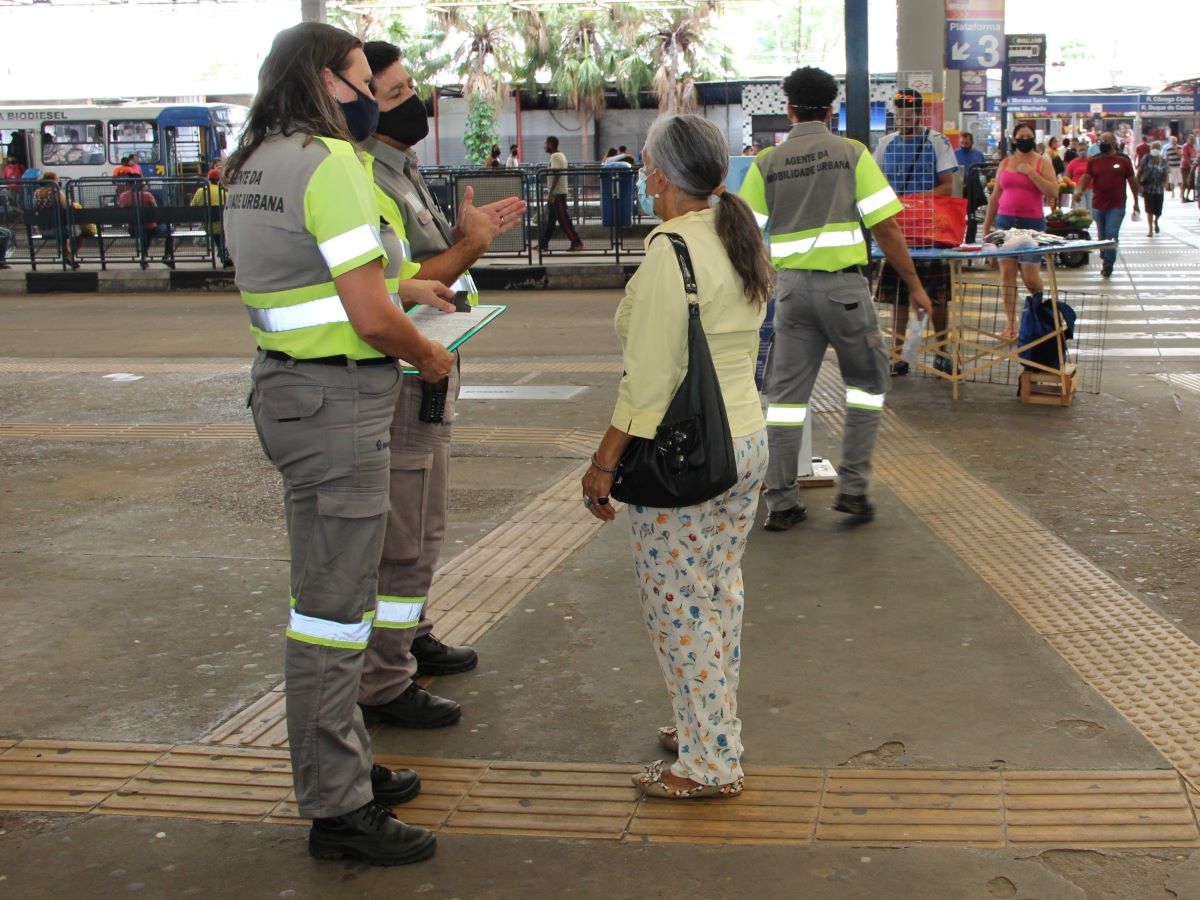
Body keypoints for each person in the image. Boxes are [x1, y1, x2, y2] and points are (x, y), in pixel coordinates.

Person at [222, 21, 455, 867]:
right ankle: (338, 807)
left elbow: (312, 279)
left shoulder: (254, 161)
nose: (370, 97)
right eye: (362, 78)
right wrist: (427, 352)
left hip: (288, 392)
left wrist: (405, 284)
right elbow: (366, 316)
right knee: (332, 615)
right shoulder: (331, 164)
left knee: (331, 601)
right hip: (337, 404)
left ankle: (343, 765)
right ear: (327, 82)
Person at [581, 113, 773, 799]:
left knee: (679, 606)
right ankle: (707, 724)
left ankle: (710, 763)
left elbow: (651, 380)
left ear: (660, 175)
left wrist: (605, 462)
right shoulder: (734, 233)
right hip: (744, 441)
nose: (642, 175)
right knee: (716, 592)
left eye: (645, 165)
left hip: (687, 451)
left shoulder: (674, 250)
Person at [357, 39, 526, 730]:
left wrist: (462, 240)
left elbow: (419, 270)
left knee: (423, 520)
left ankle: (409, 634)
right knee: (406, 528)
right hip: (404, 368)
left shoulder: (401, 169)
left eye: (410, 88)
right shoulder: (364, 178)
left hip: (432, 359)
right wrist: (471, 245)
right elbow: (397, 287)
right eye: (394, 94)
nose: (413, 104)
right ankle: (384, 676)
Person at [740, 66, 933, 528]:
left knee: (785, 400)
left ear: (789, 109)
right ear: (831, 110)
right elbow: (885, 226)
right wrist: (914, 285)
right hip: (845, 292)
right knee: (867, 388)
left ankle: (781, 503)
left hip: (790, 293)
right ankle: (853, 488)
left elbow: (744, 232)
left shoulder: (766, 162)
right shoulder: (851, 154)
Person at [872, 87, 957, 375]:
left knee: (938, 297)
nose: (904, 120)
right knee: (897, 298)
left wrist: (913, 201)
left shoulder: (938, 142)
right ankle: (898, 355)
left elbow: (947, 186)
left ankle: (942, 352)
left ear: (921, 114)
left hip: (931, 233)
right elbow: (877, 184)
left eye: (910, 115)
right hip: (898, 232)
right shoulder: (885, 144)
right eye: (900, 115)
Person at [980, 122, 1061, 339]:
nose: (1025, 140)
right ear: (1014, 140)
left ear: (1034, 139)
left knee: (1030, 277)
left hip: (1032, 225)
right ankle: (1011, 325)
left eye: (1029, 136)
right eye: (1021, 137)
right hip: (1006, 223)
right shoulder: (1006, 163)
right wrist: (987, 227)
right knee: (1007, 273)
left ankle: (1040, 315)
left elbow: (1053, 191)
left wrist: (1031, 174)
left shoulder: (1042, 162)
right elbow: (995, 196)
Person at [1077, 131, 1140, 278]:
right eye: (1101, 141)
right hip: (1098, 204)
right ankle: (1105, 252)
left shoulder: (1123, 160)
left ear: (1114, 143)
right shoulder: (1094, 160)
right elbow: (1086, 177)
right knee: (1101, 235)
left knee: (1111, 233)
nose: (1102, 143)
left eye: (1106, 140)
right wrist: (1079, 190)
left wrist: (1136, 202)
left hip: (1117, 205)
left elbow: (1132, 181)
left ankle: (1108, 263)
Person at [538, 136, 584, 252]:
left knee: (564, 220)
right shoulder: (560, 155)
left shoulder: (555, 156)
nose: (544, 146)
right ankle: (543, 244)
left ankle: (576, 242)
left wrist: (551, 193)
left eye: (546, 144)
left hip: (557, 194)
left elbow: (556, 174)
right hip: (558, 193)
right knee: (551, 221)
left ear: (551, 144)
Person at [117, 175, 174, 267]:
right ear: (140, 183)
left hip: (133, 229)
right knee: (169, 229)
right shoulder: (147, 195)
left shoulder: (123, 196)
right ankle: (166, 256)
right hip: (150, 228)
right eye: (142, 182)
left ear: (129, 184)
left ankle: (143, 258)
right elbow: (156, 212)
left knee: (145, 232)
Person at [33, 173, 77, 269]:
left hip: (43, 229)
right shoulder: (55, 191)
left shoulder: (36, 193)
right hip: (57, 228)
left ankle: (67, 255)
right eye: (57, 179)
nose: (59, 181)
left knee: (63, 230)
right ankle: (69, 255)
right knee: (78, 232)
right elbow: (67, 205)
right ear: (52, 181)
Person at [190, 168, 231, 266]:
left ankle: (221, 252)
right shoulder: (223, 193)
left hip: (206, 225)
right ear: (219, 180)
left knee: (217, 234)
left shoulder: (201, 191)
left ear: (208, 179)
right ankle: (222, 253)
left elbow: (192, 206)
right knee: (220, 235)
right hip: (221, 225)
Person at [1137, 141, 1168, 237]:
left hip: (1159, 189)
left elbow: (1166, 173)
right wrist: (1138, 184)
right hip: (1148, 189)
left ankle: (1156, 220)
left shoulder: (1163, 160)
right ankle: (1150, 229)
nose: (1155, 150)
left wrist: (1165, 184)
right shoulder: (1146, 158)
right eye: (1153, 148)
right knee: (1149, 209)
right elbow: (1140, 171)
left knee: (1158, 211)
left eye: (1157, 148)